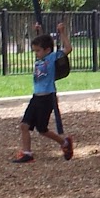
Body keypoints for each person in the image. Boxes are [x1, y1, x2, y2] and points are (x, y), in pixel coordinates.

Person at [13, 22, 73, 164]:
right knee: (24, 126)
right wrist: (39, 31)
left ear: (47, 50)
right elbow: (43, 41)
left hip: (47, 98)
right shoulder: (40, 59)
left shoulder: (52, 58)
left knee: (42, 129)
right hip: (36, 97)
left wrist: (62, 32)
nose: (36, 54)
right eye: (34, 51)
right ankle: (27, 153)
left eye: (38, 51)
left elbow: (68, 48)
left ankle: (64, 142)